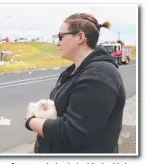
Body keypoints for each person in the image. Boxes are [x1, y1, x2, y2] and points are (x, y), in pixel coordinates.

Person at [24, 13, 126, 153]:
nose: (58, 42)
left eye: (61, 37)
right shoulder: (74, 71)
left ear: (80, 37)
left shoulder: (99, 75)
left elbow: (73, 132)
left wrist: (30, 121)